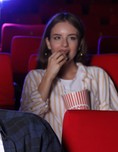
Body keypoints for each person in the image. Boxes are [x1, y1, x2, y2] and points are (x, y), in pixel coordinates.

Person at [20, 12, 118, 141]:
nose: (64, 45)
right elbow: (27, 119)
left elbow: (112, 120)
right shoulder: (34, 77)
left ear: (79, 44)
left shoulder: (98, 75)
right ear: (48, 43)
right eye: (57, 38)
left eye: (72, 38)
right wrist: (48, 76)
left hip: (91, 146)